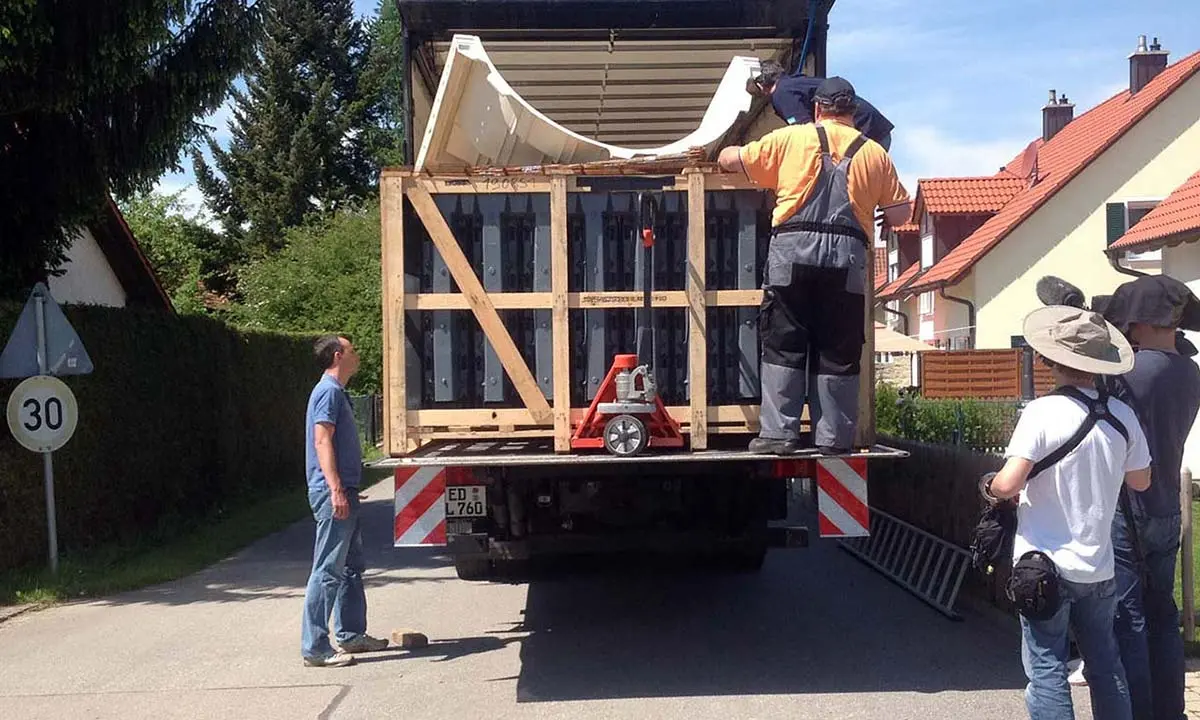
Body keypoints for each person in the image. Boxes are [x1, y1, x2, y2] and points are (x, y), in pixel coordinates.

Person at [718, 76, 911, 455]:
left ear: (818, 108)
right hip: (847, 258)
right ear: (852, 113)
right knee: (838, 349)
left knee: (784, 341)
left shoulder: (791, 139)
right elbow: (902, 213)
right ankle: (834, 440)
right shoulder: (875, 153)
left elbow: (733, 160)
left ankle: (778, 435)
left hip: (793, 251)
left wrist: (725, 152)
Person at [985, 306, 1152, 720]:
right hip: (1098, 566)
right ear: (1099, 365)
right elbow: (1141, 482)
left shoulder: (1041, 413)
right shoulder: (1123, 416)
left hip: (1043, 567)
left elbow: (1008, 484)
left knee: (1047, 670)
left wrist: (988, 486)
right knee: (1106, 665)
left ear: (1050, 360)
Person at [1101, 275, 1200, 720]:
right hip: (1165, 507)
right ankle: (1171, 711)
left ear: (1139, 322)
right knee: (1164, 613)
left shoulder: (1132, 372)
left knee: (1129, 616)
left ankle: (1139, 710)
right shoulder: (1188, 371)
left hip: (1129, 504)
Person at [301, 334, 389, 667]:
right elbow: (322, 441)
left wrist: (347, 486)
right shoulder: (327, 392)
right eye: (352, 349)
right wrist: (335, 488)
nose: (357, 354)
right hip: (332, 492)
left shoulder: (337, 392)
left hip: (345, 489)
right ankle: (315, 648)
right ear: (339, 355)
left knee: (351, 567)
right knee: (328, 569)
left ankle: (351, 635)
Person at [748, 60, 895, 150]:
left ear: (760, 84)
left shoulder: (782, 93)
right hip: (871, 127)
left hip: (865, 131)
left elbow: (807, 132)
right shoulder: (792, 84)